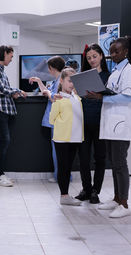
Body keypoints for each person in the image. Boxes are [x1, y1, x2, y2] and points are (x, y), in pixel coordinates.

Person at [87, 36, 131, 218]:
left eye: (117, 51)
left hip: (122, 125)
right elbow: (111, 92)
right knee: (114, 163)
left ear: (125, 52)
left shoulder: (129, 71)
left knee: (120, 164)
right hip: (111, 124)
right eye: (111, 52)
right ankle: (117, 198)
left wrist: (102, 98)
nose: (113, 55)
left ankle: (124, 204)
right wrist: (98, 94)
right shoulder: (115, 72)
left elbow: (127, 97)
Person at [0, 45, 27, 187]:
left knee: (2, 143)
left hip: (6, 111)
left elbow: (5, 91)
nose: (11, 59)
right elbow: (1, 89)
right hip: (0, 112)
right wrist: (17, 90)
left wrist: (13, 93)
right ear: (4, 54)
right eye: (10, 56)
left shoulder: (2, 71)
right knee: (4, 142)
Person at [75, 44, 110, 204]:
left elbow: (110, 99)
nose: (92, 60)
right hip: (84, 122)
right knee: (83, 159)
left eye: (94, 56)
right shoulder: (83, 76)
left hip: (101, 122)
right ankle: (86, 189)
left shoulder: (109, 76)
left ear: (101, 56)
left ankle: (96, 191)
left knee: (100, 158)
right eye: (89, 58)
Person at [49, 68, 83, 206]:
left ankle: (66, 195)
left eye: (74, 81)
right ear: (61, 81)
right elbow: (52, 119)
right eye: (69, 81)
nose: (72, 84)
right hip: (62, 138)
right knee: (63, 167)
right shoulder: (59, 99)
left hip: (75, 138)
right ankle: (64, 196)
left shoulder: (76, 97)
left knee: (68, 167)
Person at [29, 56, 65, 183]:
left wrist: (48, 93)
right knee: (57, 150)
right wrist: (39, 82)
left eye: (49, 68)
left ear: (53, 68)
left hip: (58, 120)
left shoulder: (61, 80)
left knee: (58, 151)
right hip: (56, 120)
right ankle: (60, 175)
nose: (48, 71)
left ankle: (60, 176)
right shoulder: (57, 80)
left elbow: (54, 98)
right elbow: (49, 92)